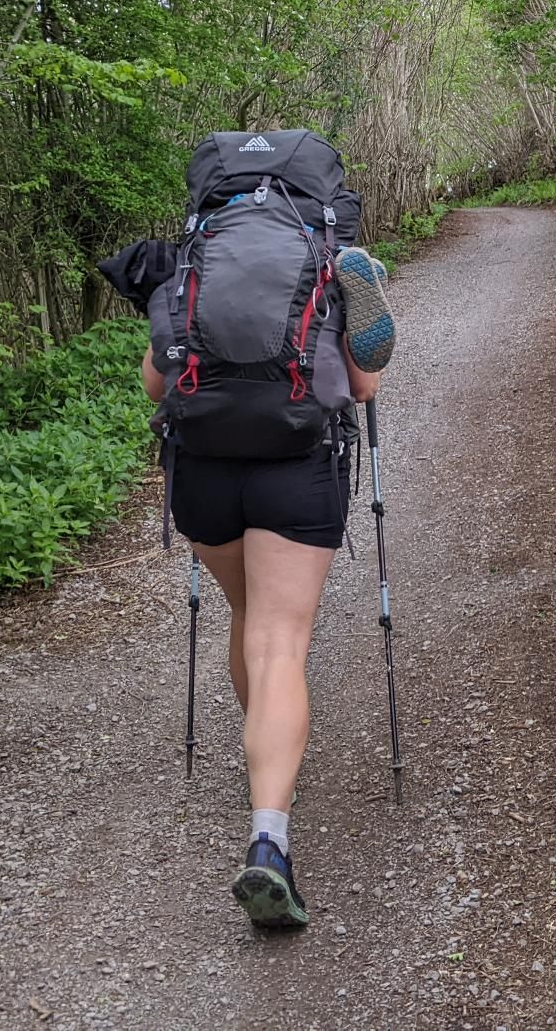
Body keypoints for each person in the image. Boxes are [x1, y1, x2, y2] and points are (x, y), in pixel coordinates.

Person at [139, 241, 396, 928]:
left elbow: (157, 385)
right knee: (278, 640)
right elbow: (362, 386)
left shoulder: (196, 261)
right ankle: (269, 838)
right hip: (298, 463)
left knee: (247, 612)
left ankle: (267, 755)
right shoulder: (323, 260)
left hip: (203, 471)